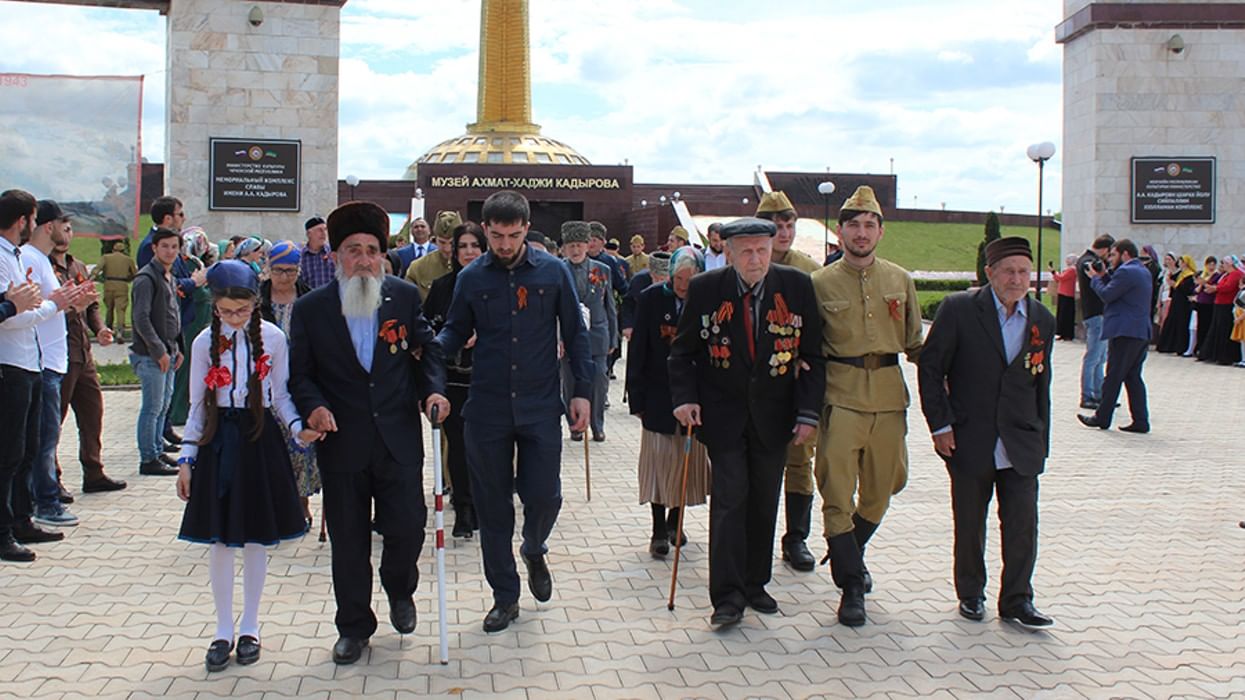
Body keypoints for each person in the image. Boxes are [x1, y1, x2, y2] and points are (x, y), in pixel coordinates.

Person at [288, 201, 447, 665]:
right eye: (353, 250)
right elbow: (301, 375)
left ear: (383, 256)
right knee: (349, 540)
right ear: (337, 255)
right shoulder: (312, 309)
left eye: (371, 251)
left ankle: (400, 589)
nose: (363, 259)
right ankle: (354, 627)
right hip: (343, 440)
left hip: (398, 437)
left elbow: (426, 350)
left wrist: (433, 393)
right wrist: (314, 407)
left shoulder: (402, 296)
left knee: (407, 528)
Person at [436, 190, 593, 634]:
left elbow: (576, 336)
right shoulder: (472, 279)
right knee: (493, 509)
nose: (505, 244)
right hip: (485, 409)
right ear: (485, 230)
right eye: (497, 235)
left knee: (544, 495)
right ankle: (505, 597)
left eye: (514, 234)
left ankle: (535, 546)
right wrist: (428, 351)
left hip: (541, 404)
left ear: (526, 229)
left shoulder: (554, 272)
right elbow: (454, 332)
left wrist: (581, 391)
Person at [667, 217, 825, 628]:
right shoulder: (707, 288)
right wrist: (685, 400)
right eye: (746, 252)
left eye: (762, 251)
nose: (755, 260)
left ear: (772, 250)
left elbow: (813, 357)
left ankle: (756, 583)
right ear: (730, 254)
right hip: (723, 416)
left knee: (763, 502)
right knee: (730, 501)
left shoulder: (795, 287)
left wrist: (808, 412)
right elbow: (682, 354)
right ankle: (727, 597)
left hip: (776, 417)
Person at [176, 260, 315, 672]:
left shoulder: (272, 338)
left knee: (256, 536)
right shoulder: (204, 342)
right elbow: (197, 404)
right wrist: (186, 458)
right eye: (225, 311)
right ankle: (222, 629)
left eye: (241, 311)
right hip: (220, 440)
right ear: (214, 307)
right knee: (220, 540)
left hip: (259, 439)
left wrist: (297, 429)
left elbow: (281, 394)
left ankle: (251, 626)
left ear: (255, 305)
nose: (234, 319)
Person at [917, 236, 1056, 630]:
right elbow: (931, 368)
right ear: (989, 273)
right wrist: (940, 425)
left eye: (1023, 272)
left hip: (1021, 440)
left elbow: (1041, 385)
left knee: (1023, 524)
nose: (1016, 279)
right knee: (970, 520)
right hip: (969, 436)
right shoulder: (960, 310)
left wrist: (1042, 439)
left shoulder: (1041, 319)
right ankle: (971, 593)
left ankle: (1017, 599)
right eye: (1009, 271)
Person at [811, 185, 923, 626]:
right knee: (836, 490)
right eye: (853, 225)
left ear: (881, 231)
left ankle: (848, 554)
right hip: (840, 396)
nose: (861, 233)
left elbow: (916, 343)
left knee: (884, 488)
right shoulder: (819, 284)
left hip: (889, 397)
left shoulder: (900, 280)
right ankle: (851, 586)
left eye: (869, 225)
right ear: (839, 232)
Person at [0, 189, 86, 562]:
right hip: (12, 364)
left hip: (29, 361)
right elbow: (15, 315)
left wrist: (49, 304)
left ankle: (21, 519)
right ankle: (5, 530)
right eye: (32, 219)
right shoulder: (4, 258)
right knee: (9, 454)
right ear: (24, 221)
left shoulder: (15, 255)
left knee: (26, 450)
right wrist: (53, 304)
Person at [627, 246, 711, 557]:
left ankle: (677, 521)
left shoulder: (708, 300)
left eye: (690, 279)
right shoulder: (651, 298)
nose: (683, 285)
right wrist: (635, 396)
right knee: (659, 465)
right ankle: (658, 529)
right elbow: (638, 350)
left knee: (686, 465)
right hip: (657, 394)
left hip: (695, 398)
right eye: (678, 277)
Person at [756, 190, 823, 573]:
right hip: (754, 382)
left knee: (800, 461)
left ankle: (796, 537)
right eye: (776, 226)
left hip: (795, 382)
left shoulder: (809, 271)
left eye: (789, 225)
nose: (784, 233)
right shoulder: (748, 261)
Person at [49, 211, 126, 498]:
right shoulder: (44, 267)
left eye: (71, 230)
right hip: (59, 353)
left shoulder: (76, 265)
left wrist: (101, 329)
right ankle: (51, 480)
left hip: (83, 352)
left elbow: (91, 304)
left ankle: (93, 471)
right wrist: (75, 308)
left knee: (92, 413)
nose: (67, 235)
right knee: (53, 420)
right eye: (63, 229)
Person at [25, 201, 89, 528]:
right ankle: (44, 502)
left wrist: (73, 301)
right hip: (41, 361)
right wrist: (60, 302)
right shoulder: (30, 259)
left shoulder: (43, 262)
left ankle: (38, 501)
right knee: (43, 439)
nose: (68, 232)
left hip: (53, 358)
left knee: (47, 436)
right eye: (63, 225)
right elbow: (30, 311)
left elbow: (53, 306)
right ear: (47, 226)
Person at [423, 222, 485, 538]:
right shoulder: (442, 287)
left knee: (485, 449)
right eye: (463, 246)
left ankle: (484, 506)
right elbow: (429, 331)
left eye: (475, 246)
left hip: (489, 381)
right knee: (459, 447)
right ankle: (463, 508)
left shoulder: (499, 283)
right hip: (454, 380)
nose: (469, 252)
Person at [259, 241, 318, 523]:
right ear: (269, 269)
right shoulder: (257, 301)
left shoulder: (308, 299)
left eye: (291, 271)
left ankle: (301, 503)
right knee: (271, 447)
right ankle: (273, 504)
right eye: (279, 270)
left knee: (301, 448)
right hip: (264, 383)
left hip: (299, 380)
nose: (284, 277)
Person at [1078, 239, 1153, 433]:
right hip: (1139, 331)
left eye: (1113, 255)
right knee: (1133, 376)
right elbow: (1118, 290)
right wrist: (1104, 276)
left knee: (1113, 376)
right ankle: (1141, 420)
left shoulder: (1126, 271)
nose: (1110, 259)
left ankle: (1102, 418)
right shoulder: (1142, 271)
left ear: (1125, 254)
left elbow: (1107, 295)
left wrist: (1095, 278)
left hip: (1125, 331)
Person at [131, 227, 186, 476]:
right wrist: (158, 350)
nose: (170, 251)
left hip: (170, 351)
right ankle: (148, 458)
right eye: (165, 246)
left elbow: (174, 313)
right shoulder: (146, 278)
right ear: (154, 248)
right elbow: (141, 318)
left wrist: (179, 347)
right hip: (151, 354)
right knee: (152, 407)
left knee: (163, 405)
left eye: (174, 247)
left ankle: (157, 448)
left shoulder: (169, 276)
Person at [560, 221, 617, 442]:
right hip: (569, 338)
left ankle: (597, 425)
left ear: (588, 245)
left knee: (599, 382)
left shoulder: (602, 270)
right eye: (571, 245)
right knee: (570, 382)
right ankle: (575, 425)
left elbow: (610, 305)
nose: (575, 250)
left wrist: (614, 336)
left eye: (579, 245)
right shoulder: (558, 268)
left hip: (597, 335)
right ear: (564, 248)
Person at [169, 227, 215, 427]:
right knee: (185, 368)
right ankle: (178, 411)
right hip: (190, 321)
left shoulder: (197, 263)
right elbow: (185, 289)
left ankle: (187, 408)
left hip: (198, 320)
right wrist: (196, 282)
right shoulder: (187, 265)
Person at [1076, 235, 1114, 410]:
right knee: (1093, 356)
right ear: (1105, 249)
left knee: (1100, 357)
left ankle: (1099, 394)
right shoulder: (1088, 262)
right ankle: (1087, 395)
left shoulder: (1087, 259)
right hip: (1096, 313)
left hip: (1097, 313)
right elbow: (1097, 279)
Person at [1198, 256, 1244, 365]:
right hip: (1219, 304)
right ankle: (1214, 354)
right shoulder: (1226, 275)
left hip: (1226, 305)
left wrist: (1215, 288)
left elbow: (1228, 287)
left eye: (1224, 263)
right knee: (1217, 329)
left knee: (1224, 330)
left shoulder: (1236, 274)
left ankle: (1226, 356)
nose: (1222, 265)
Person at [403, 211, 459, 299]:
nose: (447, 249)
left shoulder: (471, 265)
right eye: (442, 242)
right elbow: (408, 301)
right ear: (435, 239)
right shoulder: (418, 268)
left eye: (452, 243)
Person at [621, 251, 670, 343]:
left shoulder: (675, 283)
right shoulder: (638, 280)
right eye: (655, 278)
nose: (658, 282)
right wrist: (628, 326)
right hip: (640, 327)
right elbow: (628, 303)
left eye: (662, 279)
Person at [1156, 255, 1197, 354]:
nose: (1180, 263)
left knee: (1181, 324)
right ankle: (1169, 346)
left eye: (1182, 262)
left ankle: (1180, 347)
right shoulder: (1182, 275)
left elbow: (1187, 289)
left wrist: (1174, 285)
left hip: (1183, 303)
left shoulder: (1189, 275)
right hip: (1176, 301)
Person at [97, 240, 136, 342]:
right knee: (121, 309)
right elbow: (135, 274)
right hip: (122, 285)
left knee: (109, 308)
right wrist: (129, 279)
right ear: (123, 250)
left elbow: (97, 269)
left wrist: (98, 278)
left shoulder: (106, 257)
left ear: (113, 249)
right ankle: (120, 331)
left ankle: (108, 328)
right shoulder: (128, 260)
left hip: (109, 284)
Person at [1191, 256, 1220, 357]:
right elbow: (1197, 289)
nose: (1211, 266)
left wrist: (1205, 283)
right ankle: (1198, 347)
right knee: (1200, 326)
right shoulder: (1204, 274)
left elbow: (1213, 288)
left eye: (1213, 264)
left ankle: (1204, 349)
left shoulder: (1216, 275)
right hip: (1201, 302)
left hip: (1209, 303)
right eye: (1209, 264)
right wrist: (1201, 283)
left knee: (1207, 325)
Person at [299, 216, 335, 289]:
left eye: (325, 229)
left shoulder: (333, 254)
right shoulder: (301, 257)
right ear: (309, 234)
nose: (324, 233)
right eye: (319, 230)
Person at [1048, 254, 1078, 340]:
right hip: (1063, 293)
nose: (1066, 261)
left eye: (1068, 259)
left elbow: (1062, 278)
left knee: (1066, 314)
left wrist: (1053, 272)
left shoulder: (1072, 270)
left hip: (1067, 294)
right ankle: (1061, 333)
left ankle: (1067, 334)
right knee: (1062, 314)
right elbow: (1058, 279)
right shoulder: (1069, 269)